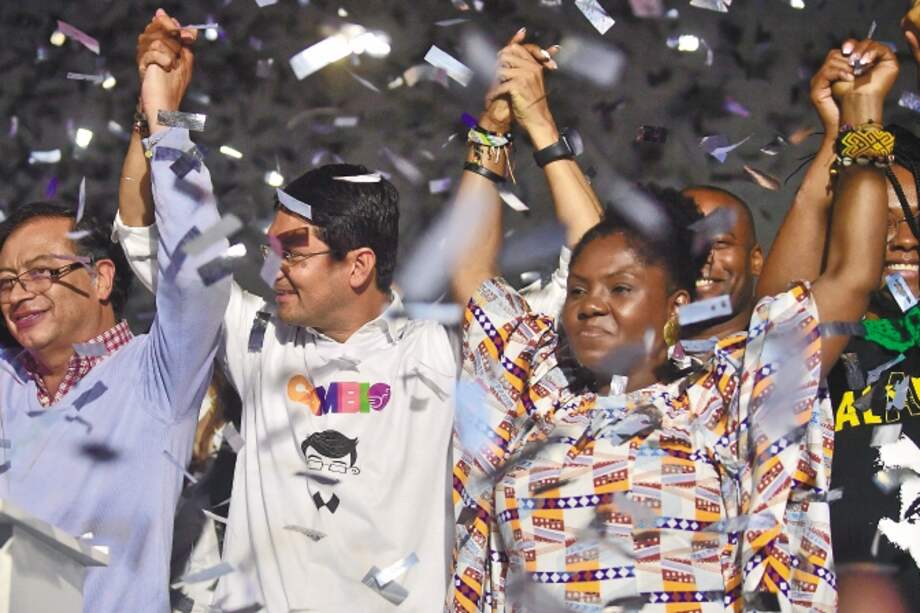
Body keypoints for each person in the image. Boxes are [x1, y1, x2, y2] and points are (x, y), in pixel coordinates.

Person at [118, 16, 601, 611]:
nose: (276, 268)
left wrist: (536, 125)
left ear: (358, 264)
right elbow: (145, 235)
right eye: (274, 248)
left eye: (294, 249)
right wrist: (155, 103)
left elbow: (594, 275)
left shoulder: (444, 350)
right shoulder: (257, 337)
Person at [447, 39, 898, 612]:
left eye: (621, 290)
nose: (590, 305)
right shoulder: (538, 379)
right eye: (578, 290)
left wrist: (862, 116)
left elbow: (851, 276)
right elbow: (471, 276)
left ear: (673, 305)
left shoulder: (730, 390)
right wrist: (491, 131)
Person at [0, 25, 231, 613]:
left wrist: (162, 110)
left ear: (102, 277)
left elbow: (197, 267)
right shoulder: (8, 381)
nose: (19, 293)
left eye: (42, 272)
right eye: (6, 281)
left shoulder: (153, 377)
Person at [759, 33, 920, 613]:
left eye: (918, 222)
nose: (903, 238)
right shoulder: (828, 341)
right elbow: (772, 324)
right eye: (886, 221)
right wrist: (838, 134)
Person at [679, 186, 764, 349]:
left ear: (755, 260)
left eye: (720, 243)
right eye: (684, 244)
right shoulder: (632, 361)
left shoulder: (788, 346)